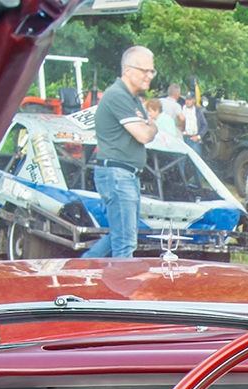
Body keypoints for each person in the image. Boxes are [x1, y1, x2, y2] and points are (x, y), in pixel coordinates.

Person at [83, 46, 158, 259]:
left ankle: (78, 271)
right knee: (125, 244)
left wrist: (150, 127)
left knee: (120, 235)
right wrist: (151, 127)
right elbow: (144, 134)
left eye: (152, 71)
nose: (149, 76)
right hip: (118, 175)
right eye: (144, 70)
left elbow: (147, 129)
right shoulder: (118, 96)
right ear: (127, 70)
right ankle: (122, 291)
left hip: (126, 175)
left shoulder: (132, 98)